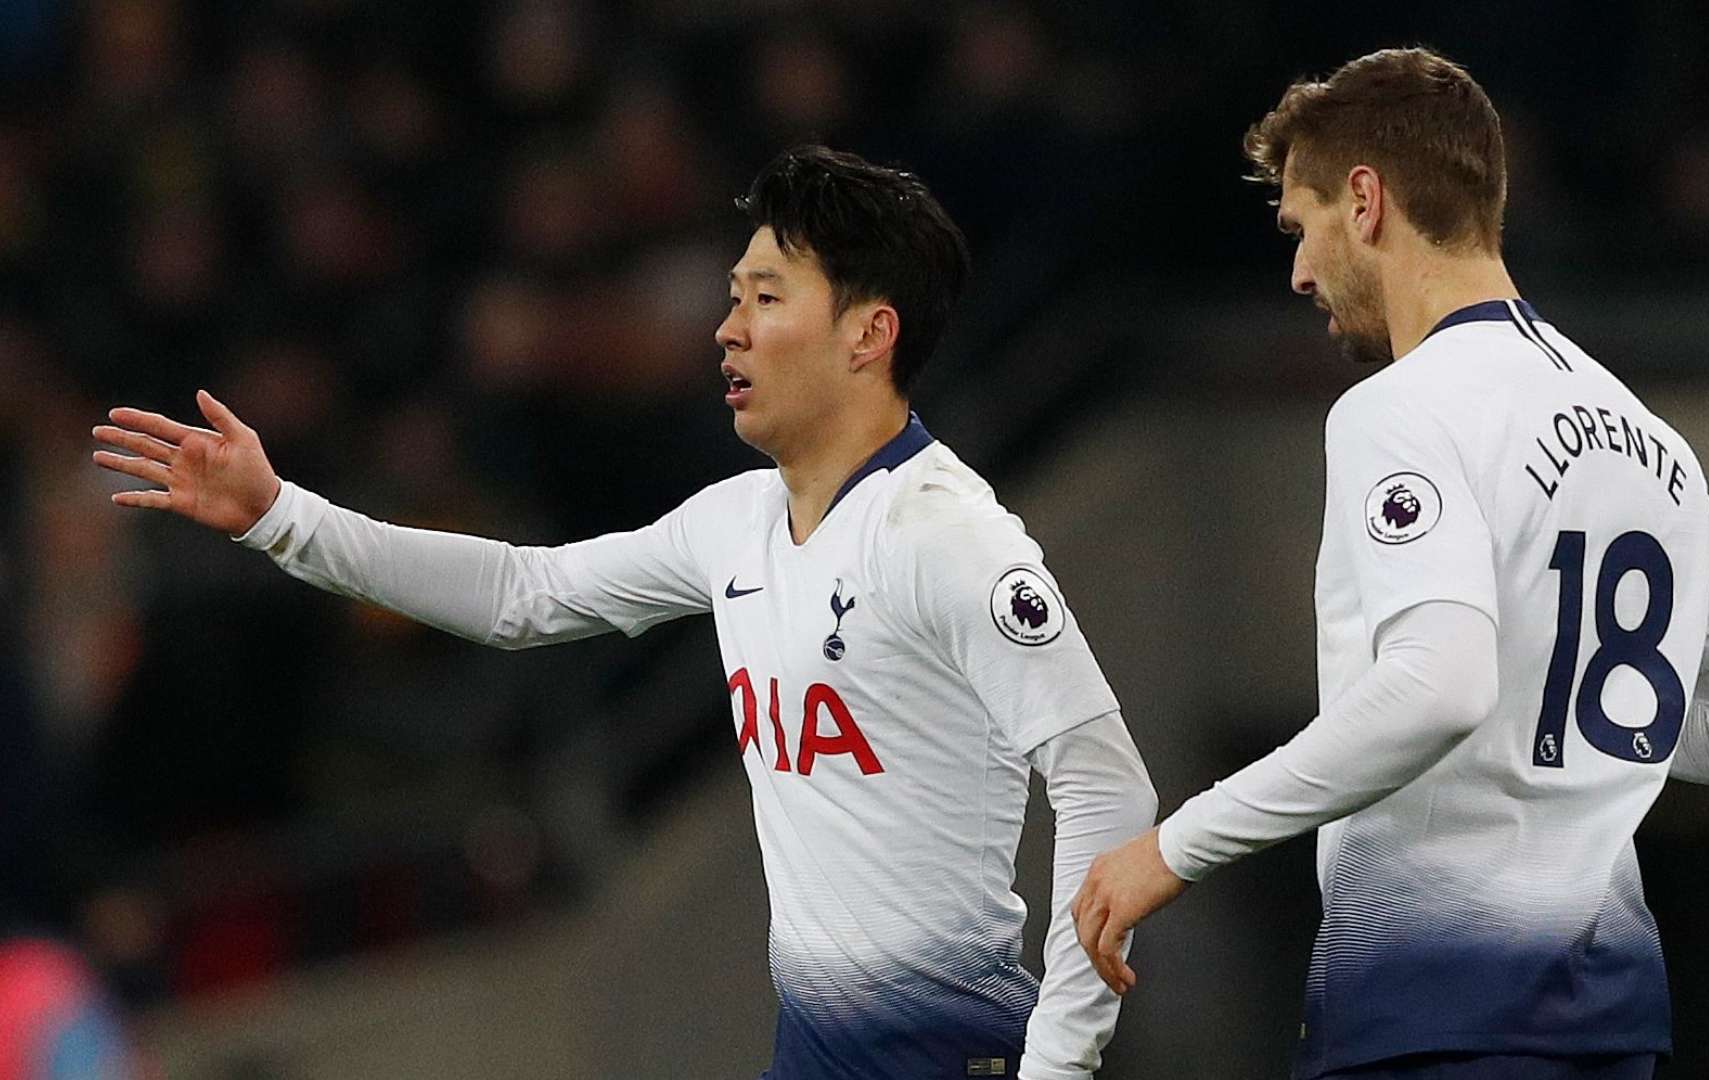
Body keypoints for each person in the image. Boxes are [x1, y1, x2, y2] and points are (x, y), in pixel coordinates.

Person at [92, 145, 1157, 1080]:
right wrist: (283, 517)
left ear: (869, 333)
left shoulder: (947, 537)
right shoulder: (737, 521)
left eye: (766, 299)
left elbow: (1108, 788)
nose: (726, 330)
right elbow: (525, 595)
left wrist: (1060, 1062)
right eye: (734, 296)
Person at [1069, 47, 1709, 1080]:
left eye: (1302, 226)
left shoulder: (1402, 409)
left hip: (1439, 1021)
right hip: (1612, 1029)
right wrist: (1557, 715)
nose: (1296, 272)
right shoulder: (1651, 440)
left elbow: (1439, 688)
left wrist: (1178, 844)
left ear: (1365, 201)